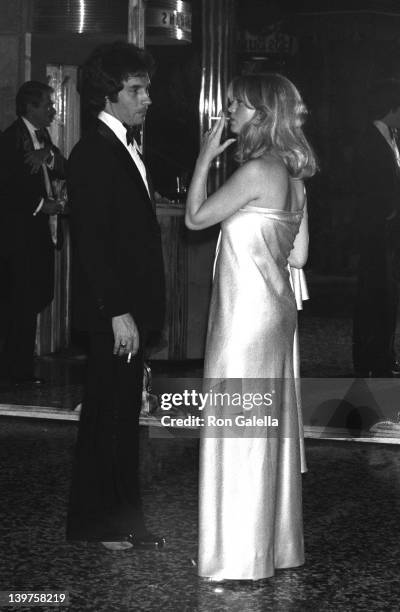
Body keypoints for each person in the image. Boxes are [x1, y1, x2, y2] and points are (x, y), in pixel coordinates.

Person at [186, 73, 316, 580]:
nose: (228, 114)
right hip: (276, 316)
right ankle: (275, 547)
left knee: (238, 426)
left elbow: (195, 218)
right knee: (267, 428)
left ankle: (238, 556)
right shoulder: (294, 175)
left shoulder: (258, 170)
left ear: (260, 114)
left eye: (236, 105)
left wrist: (204, 158)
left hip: (243, 319)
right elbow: (300, 255)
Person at [66, 42, 165, 551]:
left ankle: (121, 520)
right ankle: (102, 523)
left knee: (121, 417)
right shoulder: (94, 152)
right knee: (109, 417)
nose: (147, 97)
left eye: (146, 87)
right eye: (136, 89)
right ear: (109, 96)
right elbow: (92, 244)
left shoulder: (122, 145)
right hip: (115, 313)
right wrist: (117, 311)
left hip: (127, 310)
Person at [0, 81, 66, 385]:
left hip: (39, 236)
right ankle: (17, 373)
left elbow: (61, 167)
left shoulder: (43, 138)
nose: (52, 110)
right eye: (47, 105)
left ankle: (20, 369)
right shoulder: (10, 140)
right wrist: (43, 205)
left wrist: (48, 155)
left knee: (35, 297)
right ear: (30, 107)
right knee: (19, 304)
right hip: (18, 239)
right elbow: (7, 191)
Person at [352, 78, 400, 377]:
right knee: (373, 295)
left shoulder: (391, 138)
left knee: (387, 295)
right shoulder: (368, 140)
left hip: (389, 232)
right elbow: (366, 188)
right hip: (375, 231)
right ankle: (371, 359)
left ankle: (383, 354)